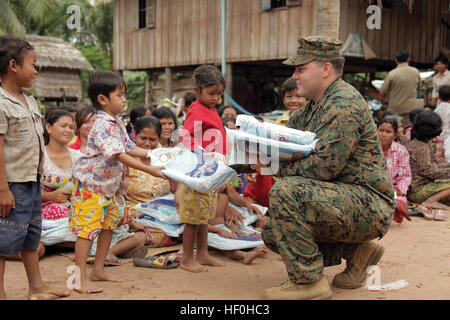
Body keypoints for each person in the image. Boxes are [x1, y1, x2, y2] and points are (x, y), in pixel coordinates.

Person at [258, 36, 395, 300]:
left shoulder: (343, 104)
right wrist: (235, 159)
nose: (295, 75)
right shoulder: (311, 108)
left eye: (301, 68)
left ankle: (309, 282)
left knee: (286, 192)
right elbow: (278, 145)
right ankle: (358, 253)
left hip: (369, 203)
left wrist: (270, 166)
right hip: (343, 198)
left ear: (325, 69)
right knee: (274, 230)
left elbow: (321, 169)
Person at [70, 70, 166, 294]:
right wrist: (150, 169)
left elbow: (130, 148)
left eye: (124, 95)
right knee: (86, 232)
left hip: (110, 188)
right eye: (120, 95)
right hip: (92, 188)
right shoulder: (102, 124)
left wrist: (159, 155)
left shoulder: (117, 122)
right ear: (103, 99)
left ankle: (99, 270)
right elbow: (120, 155)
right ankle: (78, 278)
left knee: (108, 227)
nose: (124, 99)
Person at [0, 35, 70, 300]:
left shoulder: (29, 101)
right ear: (13, 65)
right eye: (33, 63)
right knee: (3, 242)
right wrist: (2, 189)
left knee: (30, 238)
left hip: (31, 182)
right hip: (11, 184)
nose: (37, 70)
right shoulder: (0, 102)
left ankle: (36, 288)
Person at [177, 64, 229, 273]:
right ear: (197, 90)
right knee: (192, 219)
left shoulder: (210, 108)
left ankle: (204, 254)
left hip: (209, 174)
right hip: (198, 174)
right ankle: (187, 258)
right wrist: (204, 153)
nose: (216, 97)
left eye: (219, 94)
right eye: (211, 93)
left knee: (203, 217)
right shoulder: (197, 110)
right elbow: (186, 138)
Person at [406, 111, 450, 221]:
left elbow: (433, 166)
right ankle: (431, 201)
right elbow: (430, 172)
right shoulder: (422, 148)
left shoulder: (420, 144)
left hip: (417, 188)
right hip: (418, 190)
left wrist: (447, 166)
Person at [377, 116, 412, 224]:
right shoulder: (368, 149)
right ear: (375, 130)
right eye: (381, 130)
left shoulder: (400, 151)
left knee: (398, 203)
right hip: (373, 188)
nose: (383, 134)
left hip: (393, 190)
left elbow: (405, 175)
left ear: (395, 135)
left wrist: (401, 189)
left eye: (388, 132)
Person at [380, 50, 421, 127]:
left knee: (394, 130)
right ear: (409, 59)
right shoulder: (416, 72)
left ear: (395, 60)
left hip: (394, 109)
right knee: (408, 130)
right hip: (410, 109)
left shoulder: (392, 73)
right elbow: (418, 87)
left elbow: (382, 91)